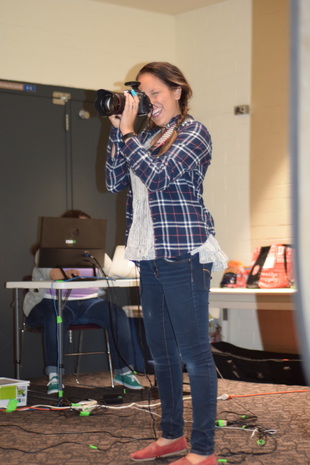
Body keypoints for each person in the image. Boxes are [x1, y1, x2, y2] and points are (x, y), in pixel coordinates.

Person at [105, 62, 227, 465]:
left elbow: (157, 177)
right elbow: (113, 182)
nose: (147, 101)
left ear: (177, 91)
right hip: (149, 254)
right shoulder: (145, 136)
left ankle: (204, 449)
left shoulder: (194, 132)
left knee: (194, 353)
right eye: (141, 94)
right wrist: (116, 129)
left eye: (155, 93)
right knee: (161, 352)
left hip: (183, 252)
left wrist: (127, 134)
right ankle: (172, 436)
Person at [23, 209, 143, 394]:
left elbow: (111, 272)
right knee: (57, 317)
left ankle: (124, 371)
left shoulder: (96, 253)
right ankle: (55, 375)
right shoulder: (46, 251)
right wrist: (66, 274)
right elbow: (53, 274)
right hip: (52, 302)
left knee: (117, 314)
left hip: (89, 303)